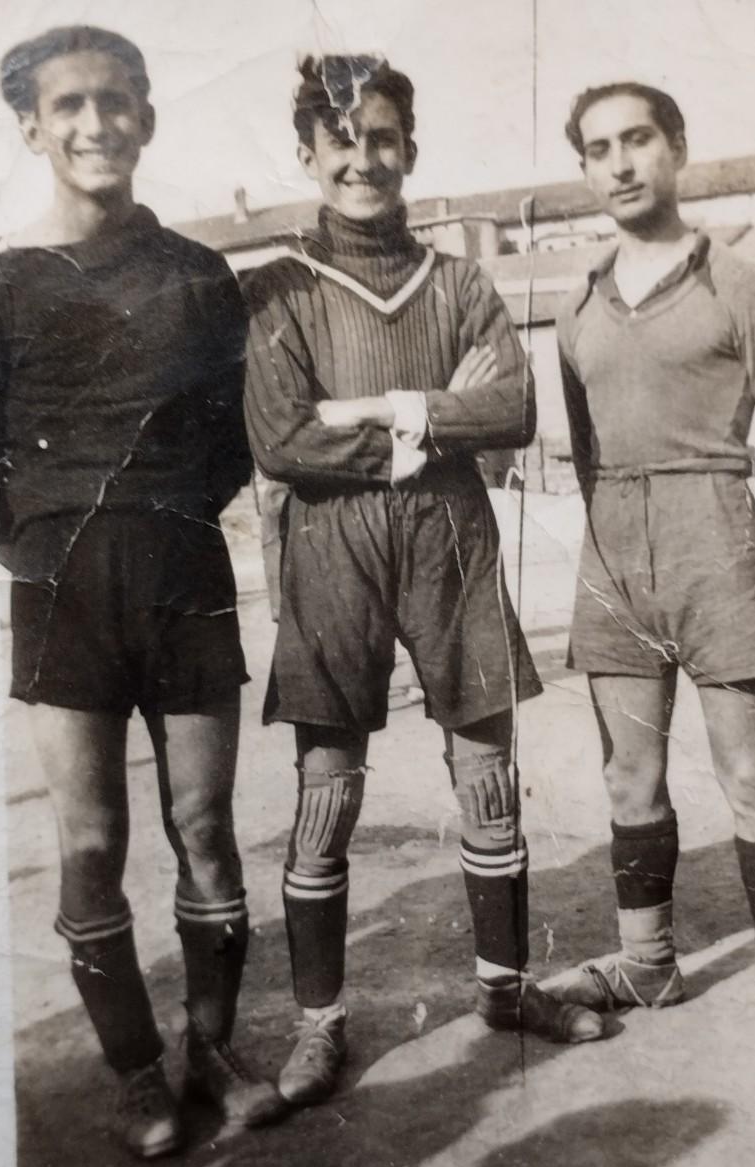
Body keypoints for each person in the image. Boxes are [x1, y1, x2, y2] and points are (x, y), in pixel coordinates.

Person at [244, 53, 604, 1108]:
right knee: (327, 790)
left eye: (384, 137)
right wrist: (428, 416)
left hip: (453, 538)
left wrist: (368, 414)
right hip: (332, 547)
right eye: (342, 141)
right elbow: (280, 439)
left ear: (413, 148)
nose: (365, 158)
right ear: (309, 153)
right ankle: (320, 1026)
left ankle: (502, 986)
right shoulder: (277, 288)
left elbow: (514, 412)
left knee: (488, 767)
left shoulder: (458, 280)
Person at [0, 25, 285, 1158]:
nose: (94, 124)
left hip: (183, 574)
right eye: (67, 106)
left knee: (207, 826)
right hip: (60, 585)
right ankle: (134, 1073)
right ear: (30, 127)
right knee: (87, 843)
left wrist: (157, 518)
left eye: (115, 102)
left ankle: (213, 1047)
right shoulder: (4, 281)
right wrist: (44, 543)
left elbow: (229, 445)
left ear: (148, 119)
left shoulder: (196, 273)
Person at [548, 81, 755, 1059]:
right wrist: (614, 534)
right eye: (599, 149)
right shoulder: (579, 301)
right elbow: (586, 449)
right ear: (586, 168)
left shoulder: (740, 281)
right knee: (630, 779)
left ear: (676, 147)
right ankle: (649, 962)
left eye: (639, 139)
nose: (621, 163)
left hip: (716, 538)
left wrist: (752, 538)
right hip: (614, 558)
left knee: (750, 778)